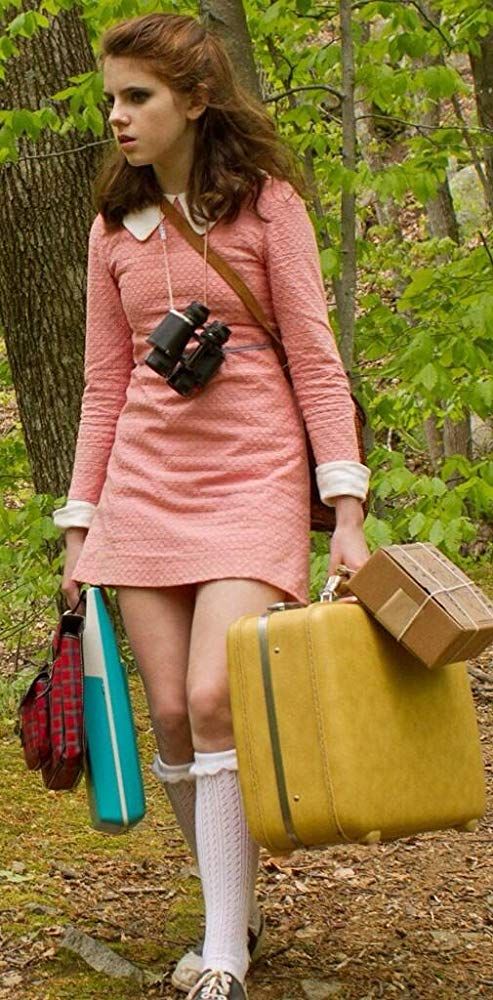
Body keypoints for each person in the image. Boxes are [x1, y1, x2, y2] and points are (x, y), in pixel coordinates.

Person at [53, 12, 371, 1000]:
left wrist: (346, 510)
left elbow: (317, 369)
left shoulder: (267, 207)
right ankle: (226, 910)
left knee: (211, 695)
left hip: (251, 469)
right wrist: (78, 525)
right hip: (143, 488)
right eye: (110, 98)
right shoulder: (113, 223)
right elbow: (105, 387)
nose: (117, 116)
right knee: (173, 726)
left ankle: (223, 957)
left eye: (136, 97)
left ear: (194, 100)